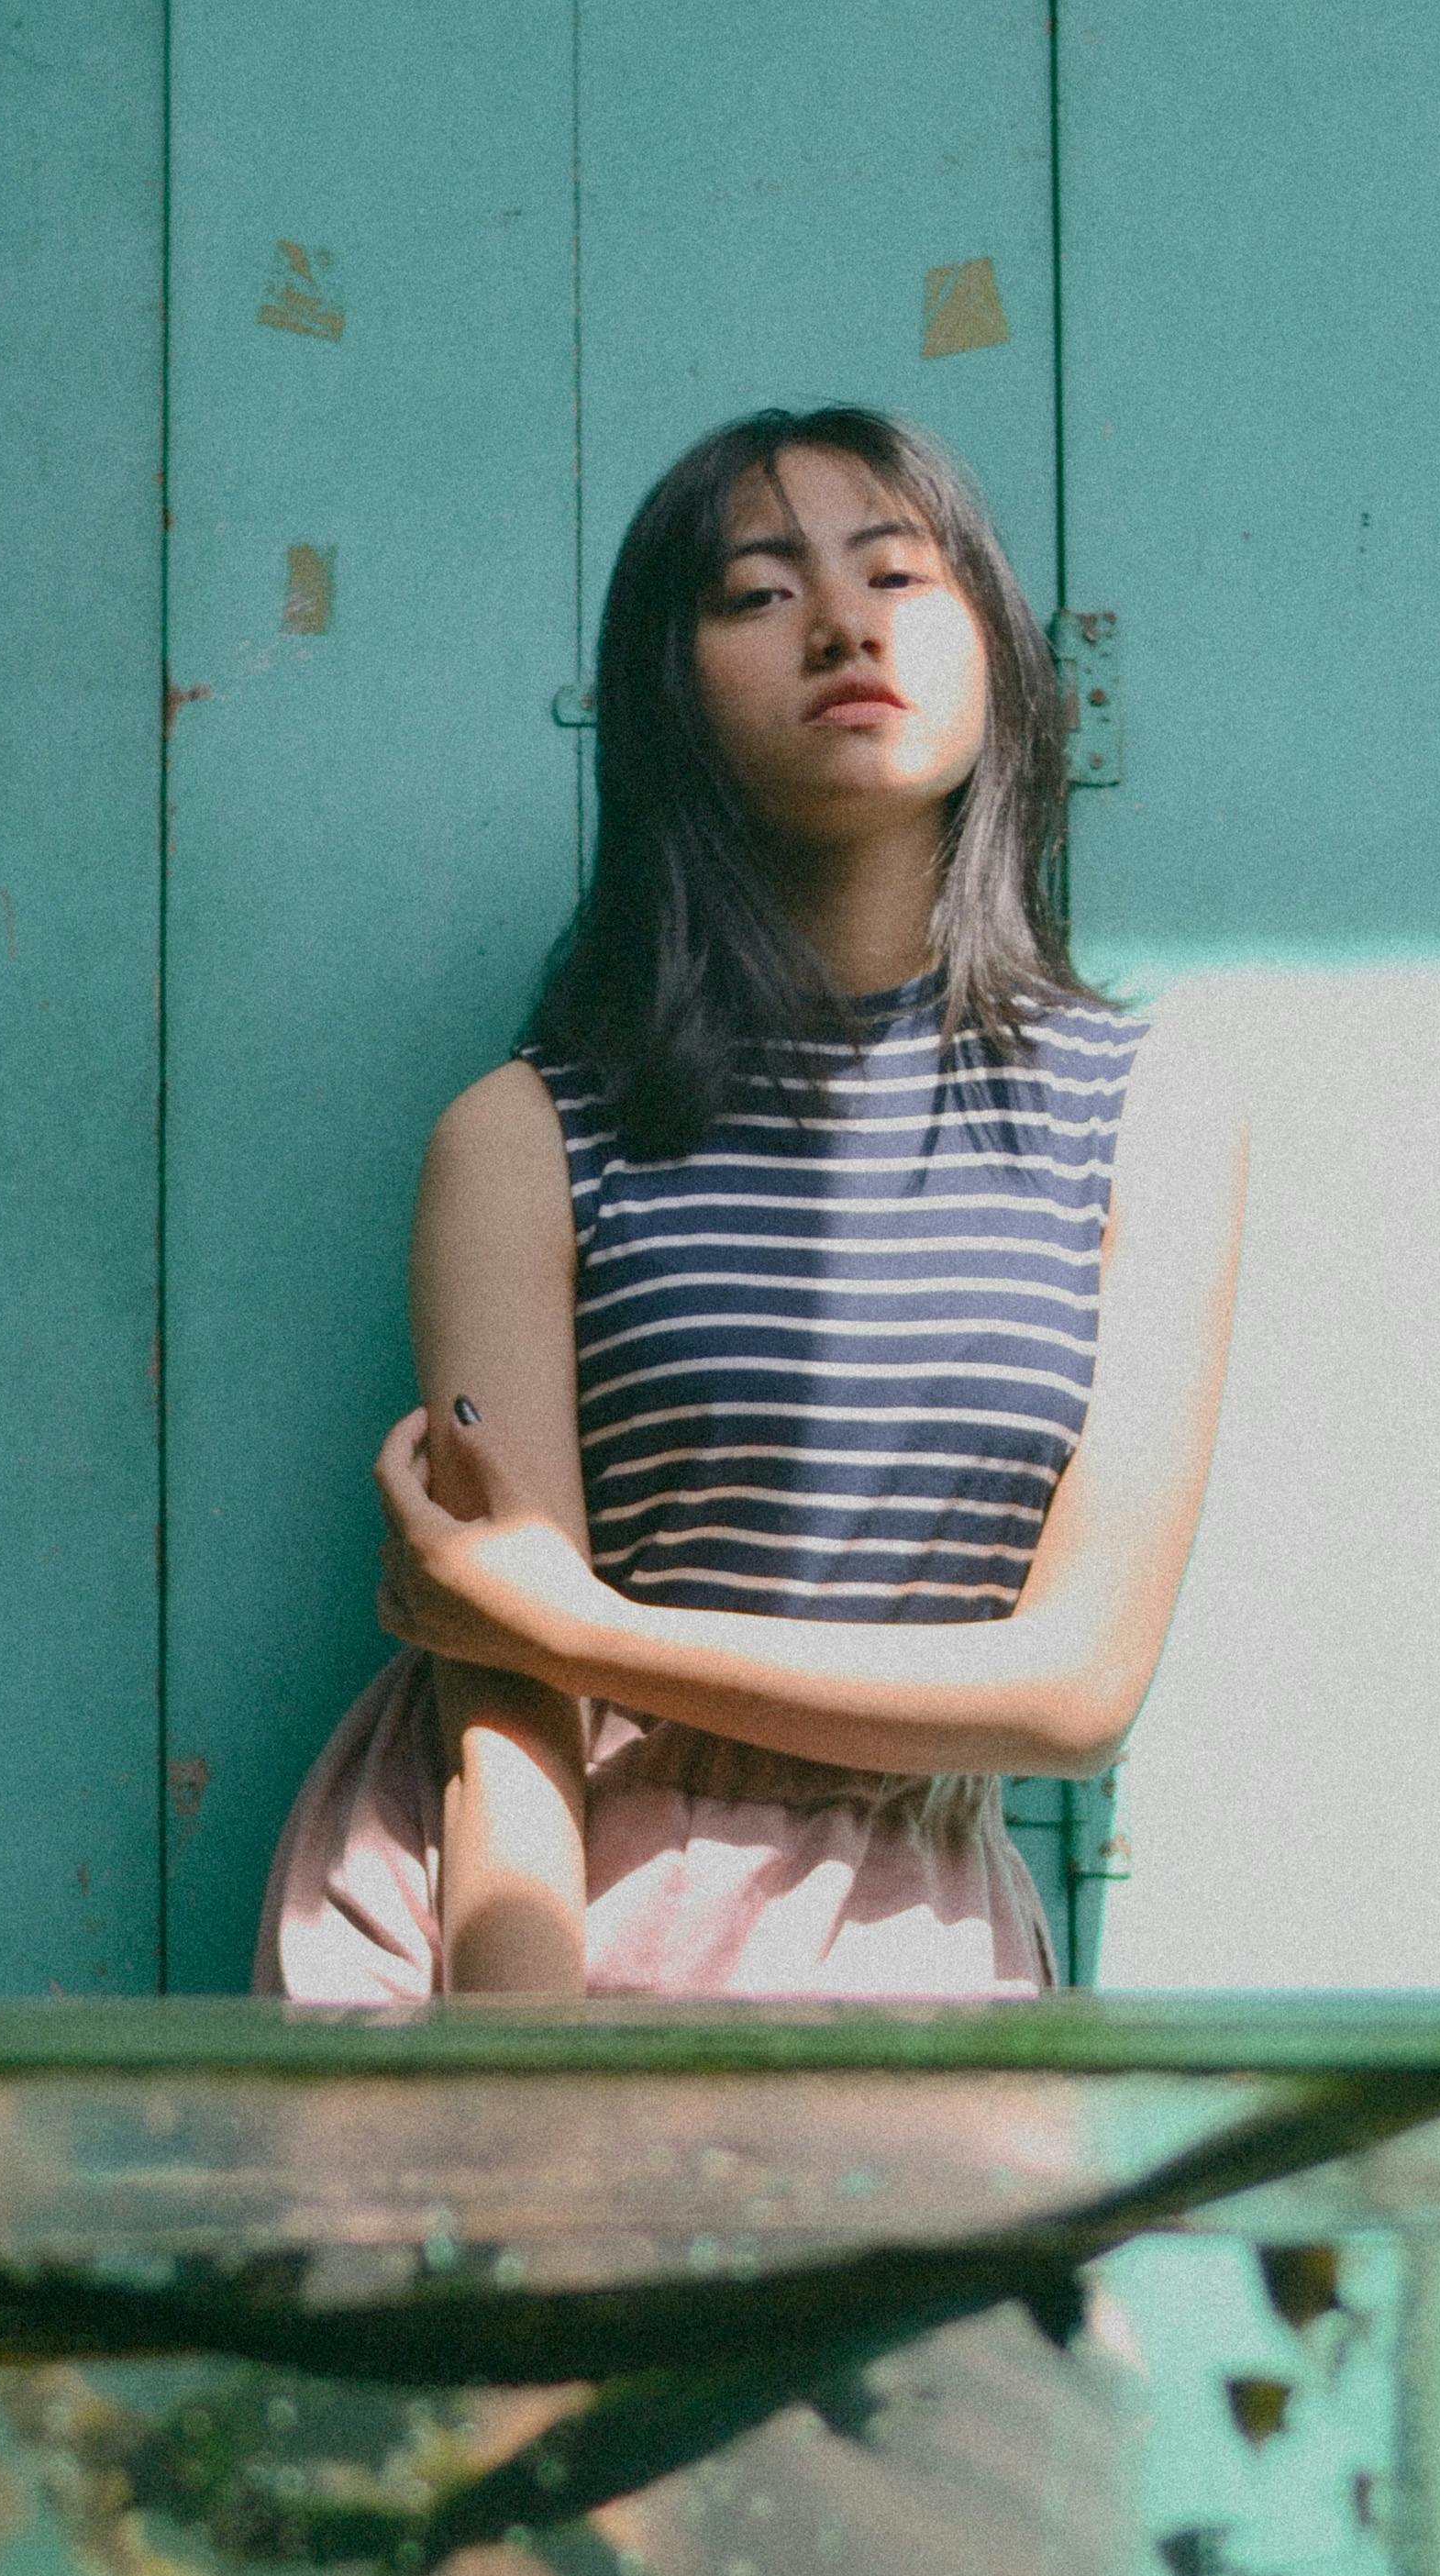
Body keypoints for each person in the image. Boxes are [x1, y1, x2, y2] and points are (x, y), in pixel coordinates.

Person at [256, 405, 1246, 2003]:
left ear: (1001, 654)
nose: (846, 623)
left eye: (901, 574)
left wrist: (572, 1629)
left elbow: (1076, 1694)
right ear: (668, 691)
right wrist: (527, 2110)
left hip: (910, 1941)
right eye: (760, 591)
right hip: (535, 1916)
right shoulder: (524, 1137)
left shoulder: (1149, 1116)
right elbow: (503, 1731)